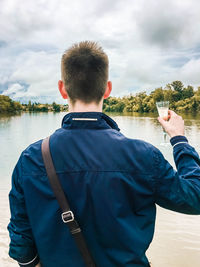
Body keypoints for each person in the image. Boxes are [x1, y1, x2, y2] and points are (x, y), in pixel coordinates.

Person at [8, 41, 200, 267]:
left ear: (62, 89)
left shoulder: (30, 159)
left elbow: (20, 242)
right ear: (107, 89)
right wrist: (179, 140)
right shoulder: (144, 156)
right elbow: (194, 198)